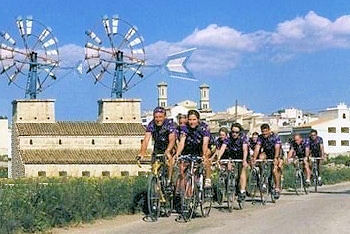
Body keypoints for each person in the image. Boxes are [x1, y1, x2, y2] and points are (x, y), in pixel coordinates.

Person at [139, 106, 177, 184]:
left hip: (169, 146)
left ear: (164, 117)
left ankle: (170, 181)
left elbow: (172, 139)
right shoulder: (151, 124)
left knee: (169, 161)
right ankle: (155, 187)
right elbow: (146, 139)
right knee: (154, 168)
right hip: (158, 147)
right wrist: (142, 153)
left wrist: (168, 150)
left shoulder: (169, 124)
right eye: (156, 117)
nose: (158, 119)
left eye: (160, 117)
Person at [174, 110, 212, 188]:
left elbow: (205, 144)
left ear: (198, 119)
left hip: (201, 147)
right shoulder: (185, 128)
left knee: (207, 154)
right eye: (190, 120)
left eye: (194, 120)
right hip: (189, 148)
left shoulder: (204, 127)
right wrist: (177, 154)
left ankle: (208, 178)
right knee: (183, 167)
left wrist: (204, 155)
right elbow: (182, 142)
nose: (192, 122)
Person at [252, 124, 283, 199]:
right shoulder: (260, 137)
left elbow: (277, 148)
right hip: (267, 153)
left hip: (277, 153)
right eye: (263, 131)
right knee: (260, 157)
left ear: (269, 130)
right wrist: (254, 158)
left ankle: (277, 188)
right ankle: (263, 174)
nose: (264, 133)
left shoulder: (275, 137)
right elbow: (257, 147)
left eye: (266, 131)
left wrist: (276, 158)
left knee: (275, 170)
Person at [226, 123, 249, 201]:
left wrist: (244, 160)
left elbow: (245, 150)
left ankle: (242, 191)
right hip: (232, 155)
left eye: (236, 132)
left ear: (240, 132)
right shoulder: (228, 137)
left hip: (242, 155)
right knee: (229, 169)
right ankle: (231, 187)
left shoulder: (243, 137)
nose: (234, 134)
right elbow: (223, 147)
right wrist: (219, 158)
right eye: (233, 132)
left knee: (242, 171)